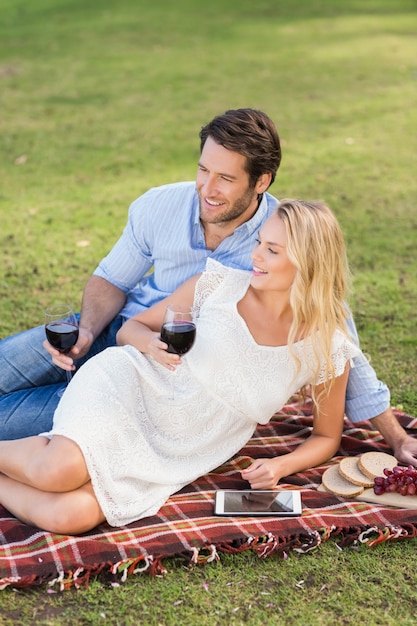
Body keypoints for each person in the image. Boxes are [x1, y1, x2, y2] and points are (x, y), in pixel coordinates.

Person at [0, 108, 415, 465]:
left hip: (160, 379)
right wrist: (88, 330)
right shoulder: (158, 205)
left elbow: (339, 345)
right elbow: (111, 278)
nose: (207, 188)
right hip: (119, 328)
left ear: (261, 182)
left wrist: (395, 438)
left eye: (225, 179)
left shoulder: (282, 242)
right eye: (203, 169)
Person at [0, 199, 361, 534]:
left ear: (309, 262)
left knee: (69, 516)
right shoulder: (217, 285)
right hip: (132, 388)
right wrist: (152, 348)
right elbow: (131, 329)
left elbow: (327, 437)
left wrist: (281, 467)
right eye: (259, 243)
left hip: (182, 450)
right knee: (57, 470)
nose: (256, 256)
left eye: (271, 250)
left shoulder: (326, 346)